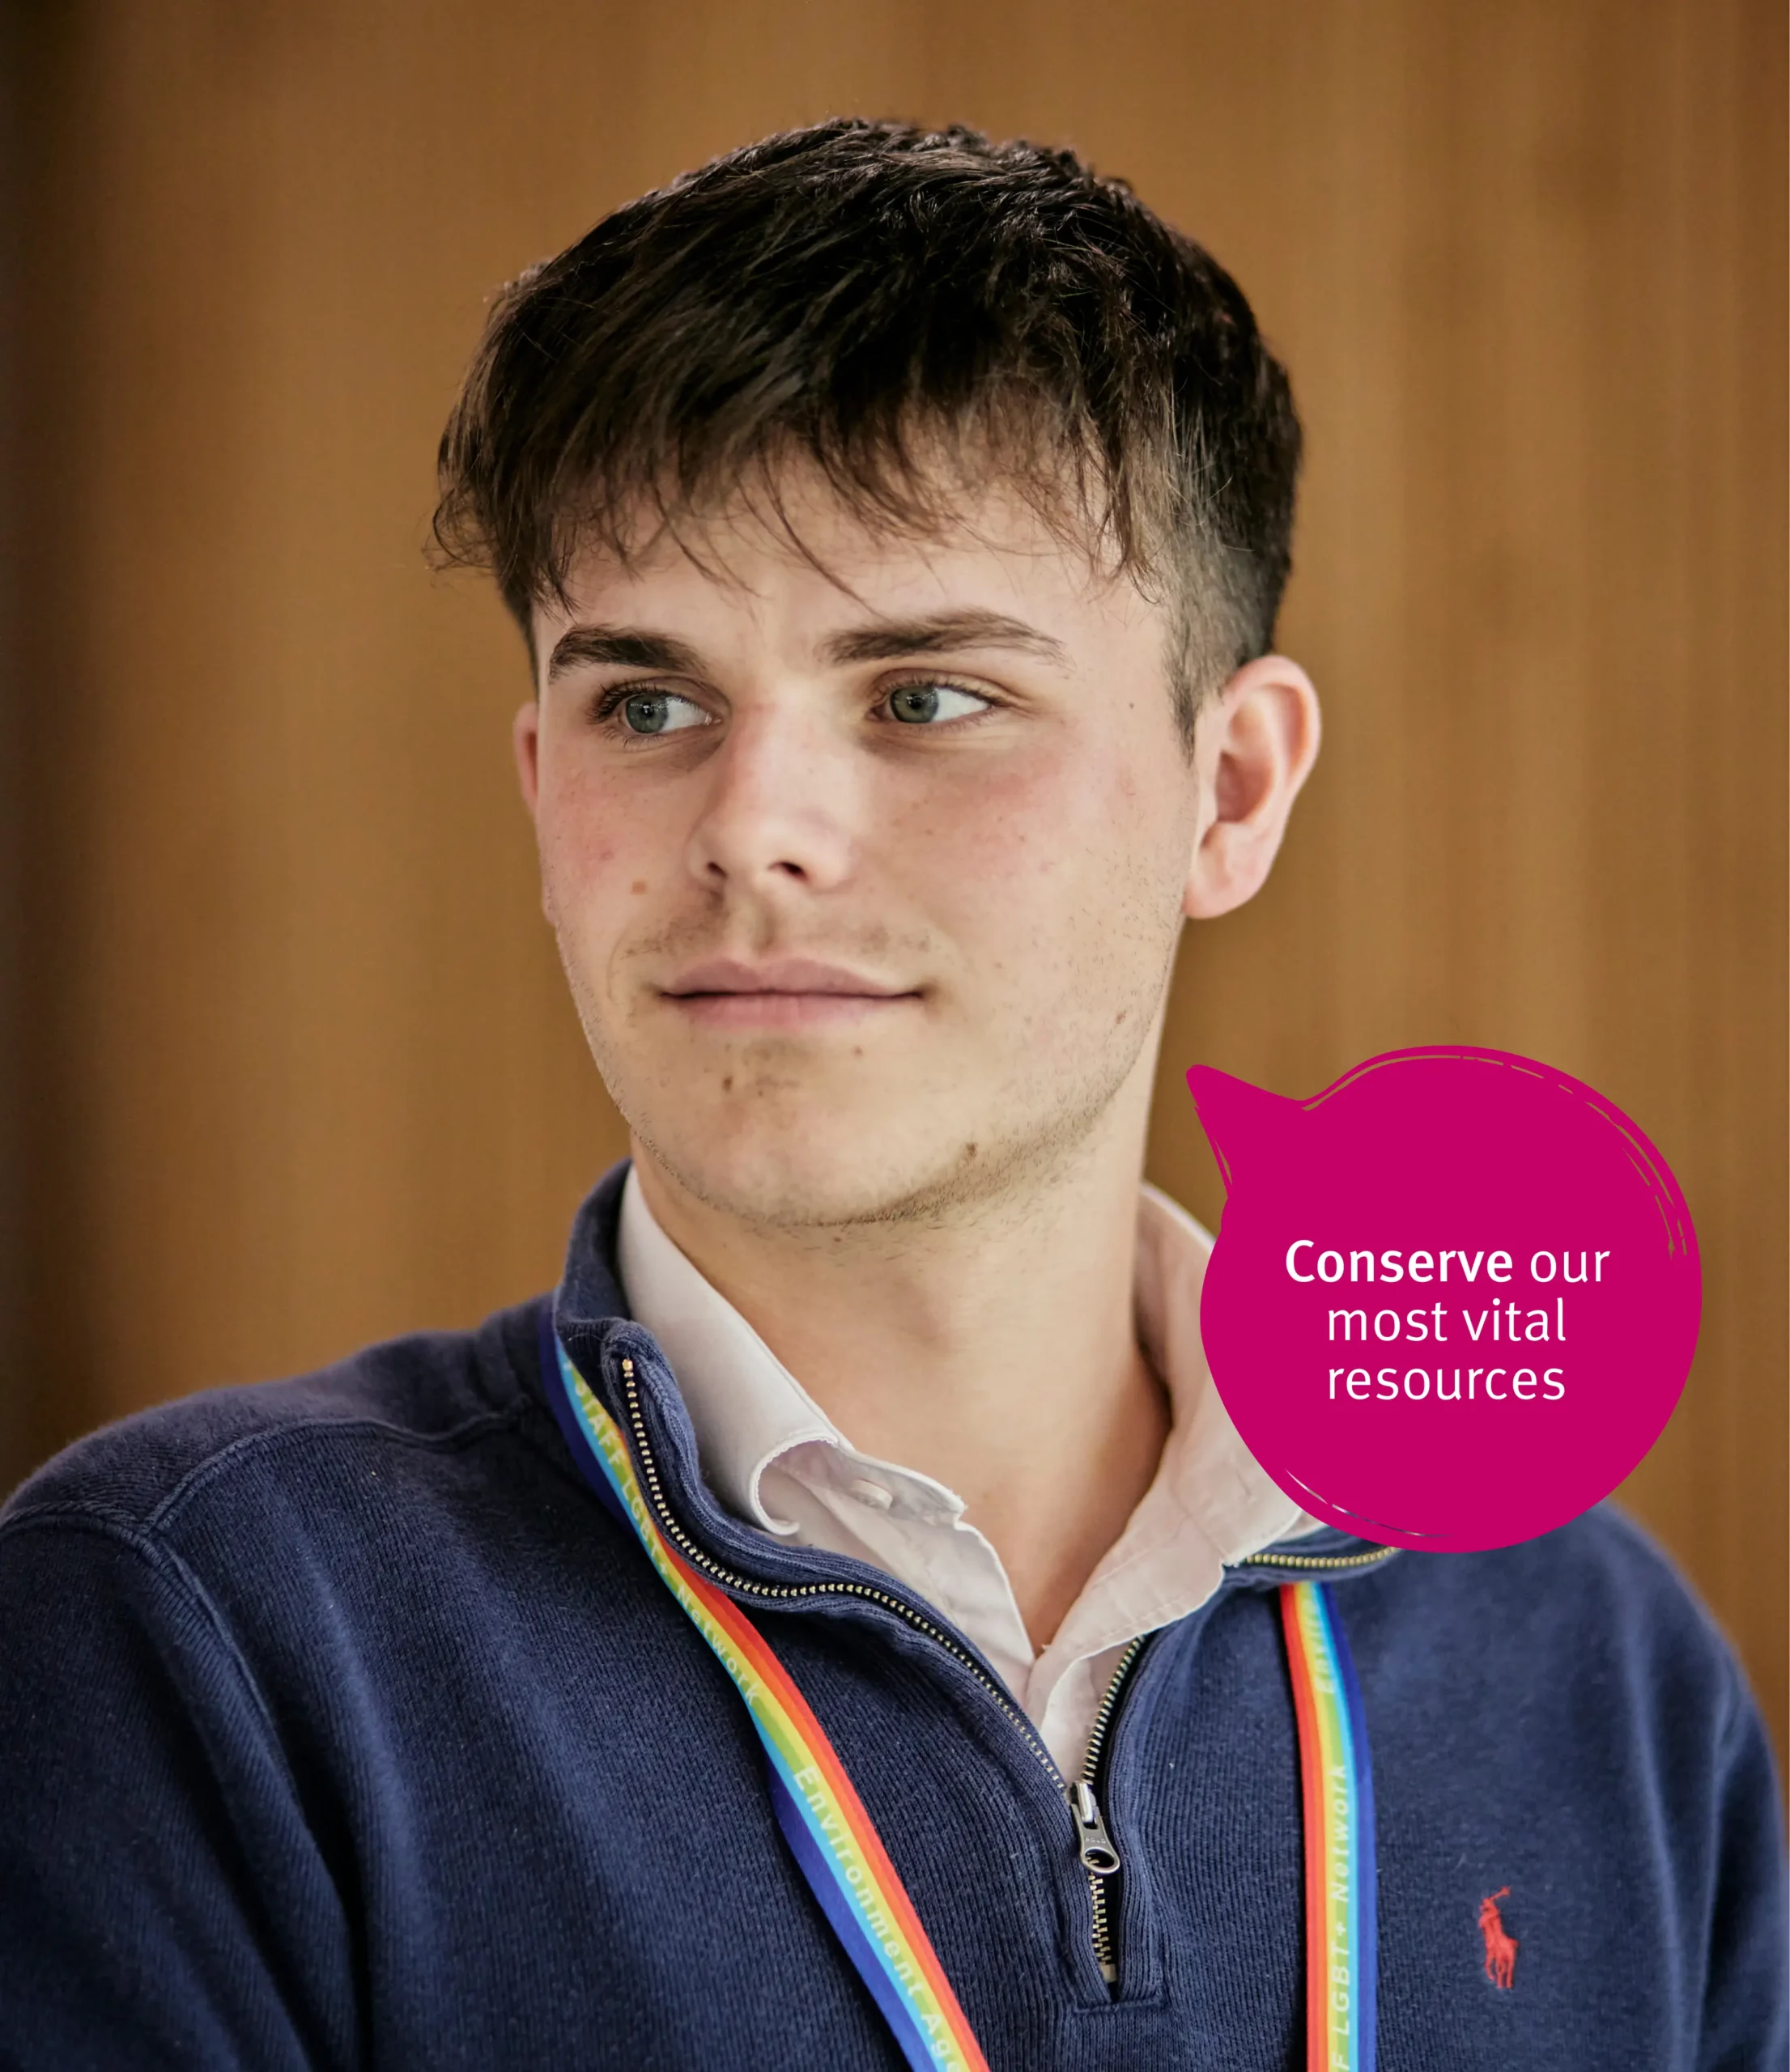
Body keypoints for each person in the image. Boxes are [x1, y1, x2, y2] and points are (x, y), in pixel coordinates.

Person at [0, 118, 1784, 2072]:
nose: (751, 825)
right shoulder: (194, 1633)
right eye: (646, 703)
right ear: (539, 787)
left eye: (925, 694)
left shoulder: (1593, 1659)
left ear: (1231, 789)